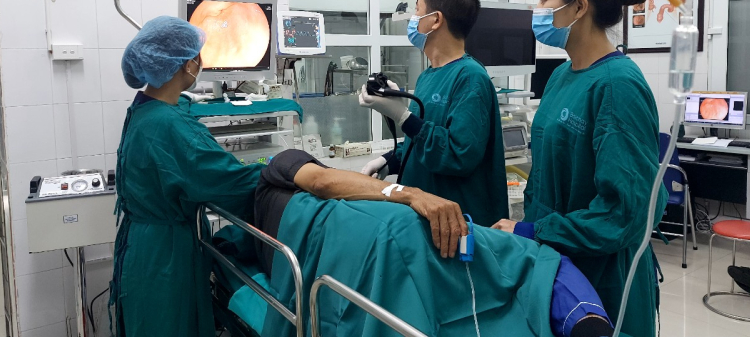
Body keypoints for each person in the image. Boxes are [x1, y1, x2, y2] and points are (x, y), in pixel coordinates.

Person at [248, 149, 616, 337]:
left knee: (464, 266)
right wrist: (407, 192)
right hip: (383, 232)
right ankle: (579, 314)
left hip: (373, 235)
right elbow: (323, 181)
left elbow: (327, 183)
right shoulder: (278, 167)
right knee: (514, 258)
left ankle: (580, 318)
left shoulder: (265, 237)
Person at [491, 0, 668, 337]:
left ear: (579, 7)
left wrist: (534, 231)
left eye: (543, 0)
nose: (536, 11)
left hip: (601, 276)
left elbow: (626, 213)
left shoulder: (618, 85)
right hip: (554, 262)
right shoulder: (562, 76)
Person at [109, 16, 265, 337]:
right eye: (197, 56)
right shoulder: (171, 127)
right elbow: (230, 183)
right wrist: (282, 171)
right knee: (169, 325)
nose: (200, 63)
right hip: (165, 256)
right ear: (187, 64)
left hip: (141, 245)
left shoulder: (144, 110)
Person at [359, 0, 507, 226]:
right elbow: (422, 139)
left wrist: (403, 116)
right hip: (425, 217)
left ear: (436, 19)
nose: (412, 18)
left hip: (457, 223)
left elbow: (458, 155)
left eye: (417, 10)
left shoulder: (470, 78)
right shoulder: (428, 76)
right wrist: (389, 160)